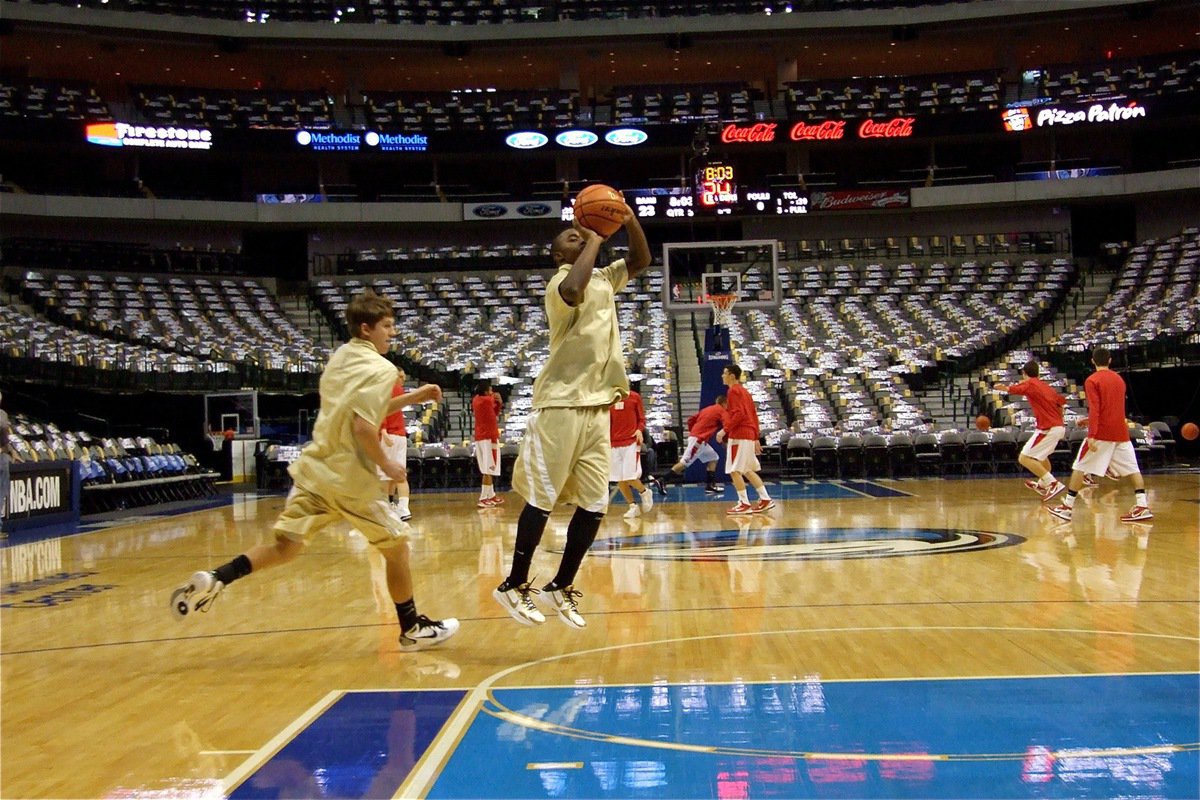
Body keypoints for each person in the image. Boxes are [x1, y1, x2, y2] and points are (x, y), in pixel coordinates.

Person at [169, 289, 459, 651]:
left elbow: (358, 407)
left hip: (315, 470)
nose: (393, 333)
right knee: (397, 547)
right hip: (349, 479)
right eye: (387, 326)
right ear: (367, 329)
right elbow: (363, 426)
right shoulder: (382, 368)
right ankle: (411, 628)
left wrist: (413, 397)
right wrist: (388, 465)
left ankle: (217, 578)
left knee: (285, 547)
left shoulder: (340, 358)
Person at [493, 197, 651, 630]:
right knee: (542, 500)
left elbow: (641, 258)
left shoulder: (605, 277)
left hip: (598, 407)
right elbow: (574, 288)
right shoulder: (562, 281)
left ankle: (562, 584)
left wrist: (627, 217)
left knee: (595, 504)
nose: (579, 235)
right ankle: (513, 584)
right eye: (571, 236)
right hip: (559, 405)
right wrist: (596, 237)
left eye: (582, 232)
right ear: (560, 254)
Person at [1047, 346, 1153, 523]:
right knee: (1133, 469)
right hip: (1120, 431)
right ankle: (1142, 506)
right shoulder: (1119, 380)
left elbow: (1097, 409)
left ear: (1092, 361)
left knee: (1079, 467)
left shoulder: (1092, 380)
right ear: (1110, 360)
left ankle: (1067, 507)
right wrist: (1089, 420)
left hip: (1102, 432)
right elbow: (1112, 409)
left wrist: (1092, 433)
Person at [994, 359, 1067, 501]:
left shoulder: (1030, 383)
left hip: (1048, 428)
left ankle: (1053, 483)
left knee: (1024, 458)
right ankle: (1042, 484)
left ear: (1024, 373)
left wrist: (1003, 388)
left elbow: (1016, 389)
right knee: (1042, 457)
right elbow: (1061, 403)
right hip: (1057, 426)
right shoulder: (1047, 387)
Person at [716, 364, 774, 515]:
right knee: (747, 469)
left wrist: (724, 430)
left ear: (732, 376)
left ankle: (744, 503)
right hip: (748, 434)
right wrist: (755, 437)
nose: (722, 376)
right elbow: (753, 416)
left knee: (734, 469)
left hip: (739, 435)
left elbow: (739, 415)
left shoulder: (733, 391)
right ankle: (765, 498)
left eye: (724, 373)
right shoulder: (745, 392)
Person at [380, 368, 434, 523]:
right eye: (401, 376)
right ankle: (400, 506)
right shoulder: (398, 390)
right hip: (400, 436)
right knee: (397, 474)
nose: (403, 379)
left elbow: (383, 410)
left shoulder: (386, 388)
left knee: (386, 476)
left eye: (404, 377)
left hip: (389, 434)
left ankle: (389, 508)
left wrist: (382, 430)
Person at [659, 395, 727, 494]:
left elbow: (691, 419)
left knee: (714, 458)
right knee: (684, 463)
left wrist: (693, 432)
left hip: (699, 440)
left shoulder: (706, 409)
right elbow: (728, 424)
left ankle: (710, 485)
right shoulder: (721, 410)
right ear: (724, 403)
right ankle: (662, 480)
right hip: (698, 441)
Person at [610, 387, 654, 519]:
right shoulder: (608, 399)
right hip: (613, 442)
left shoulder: (634, 397)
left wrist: (640, 430)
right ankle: (632, 506)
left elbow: (641, 419)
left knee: (629, 476)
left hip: (631, 441)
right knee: (619, 478)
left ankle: (645, 492)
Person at [472, 379, 505, 508]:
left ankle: (490, 495)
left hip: (482, 436)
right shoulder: (486, 400)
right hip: (488, 437)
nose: (492, 392)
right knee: (488, 468)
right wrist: (497, 398)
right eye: (490, 390)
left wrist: (499, 402)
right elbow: (493, 400)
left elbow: (494, 412)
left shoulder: (476, 399)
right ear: (486, 391)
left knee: (489, 467)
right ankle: (483, 497)